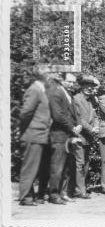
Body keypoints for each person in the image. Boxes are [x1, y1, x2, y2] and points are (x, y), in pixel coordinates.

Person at [18, 64, 52, 206]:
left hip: (40, 135)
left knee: (36, 167)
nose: (51, 76)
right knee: (30, 167)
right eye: (49, 73)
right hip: (33, 134)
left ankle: (30, 196)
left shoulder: (42, 90)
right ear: (42, 75)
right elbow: (25, 113)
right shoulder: (34, 90)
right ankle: (25, 197)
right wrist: (24, 130)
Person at [47, 72, 82, 204]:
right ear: (62, 80)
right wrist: (72, 128)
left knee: (67, 166)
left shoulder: (70, 95)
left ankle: (63, 193)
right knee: (57, 166)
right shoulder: (56, 93)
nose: (72, 84)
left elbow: (75, 114)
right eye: (69, 81)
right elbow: (58, 115)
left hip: (70, 135)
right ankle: (54, 195)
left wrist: (78, 125)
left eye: (73, 82)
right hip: (59, 135)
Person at [72, 75, 100, 199]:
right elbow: (79, 118)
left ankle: (81, 188)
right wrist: (91, 128)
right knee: (79, 164)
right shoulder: (77, 99)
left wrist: (96, 127)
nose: (89, 88)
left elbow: (95, 116)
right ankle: (79, 190)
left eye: (91, 86)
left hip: (88, 137)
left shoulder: (90, 100)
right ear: (81, 86)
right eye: (86, 86)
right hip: (80, 136)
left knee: (86, 164)